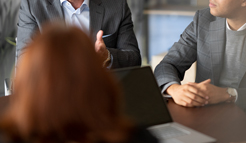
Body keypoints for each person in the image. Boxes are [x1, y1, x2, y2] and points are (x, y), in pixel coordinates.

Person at [0, 23, 157, 143]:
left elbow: (133, 56)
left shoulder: (7, 137)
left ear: (26, 82)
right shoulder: (134, 137)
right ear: (99, 79)